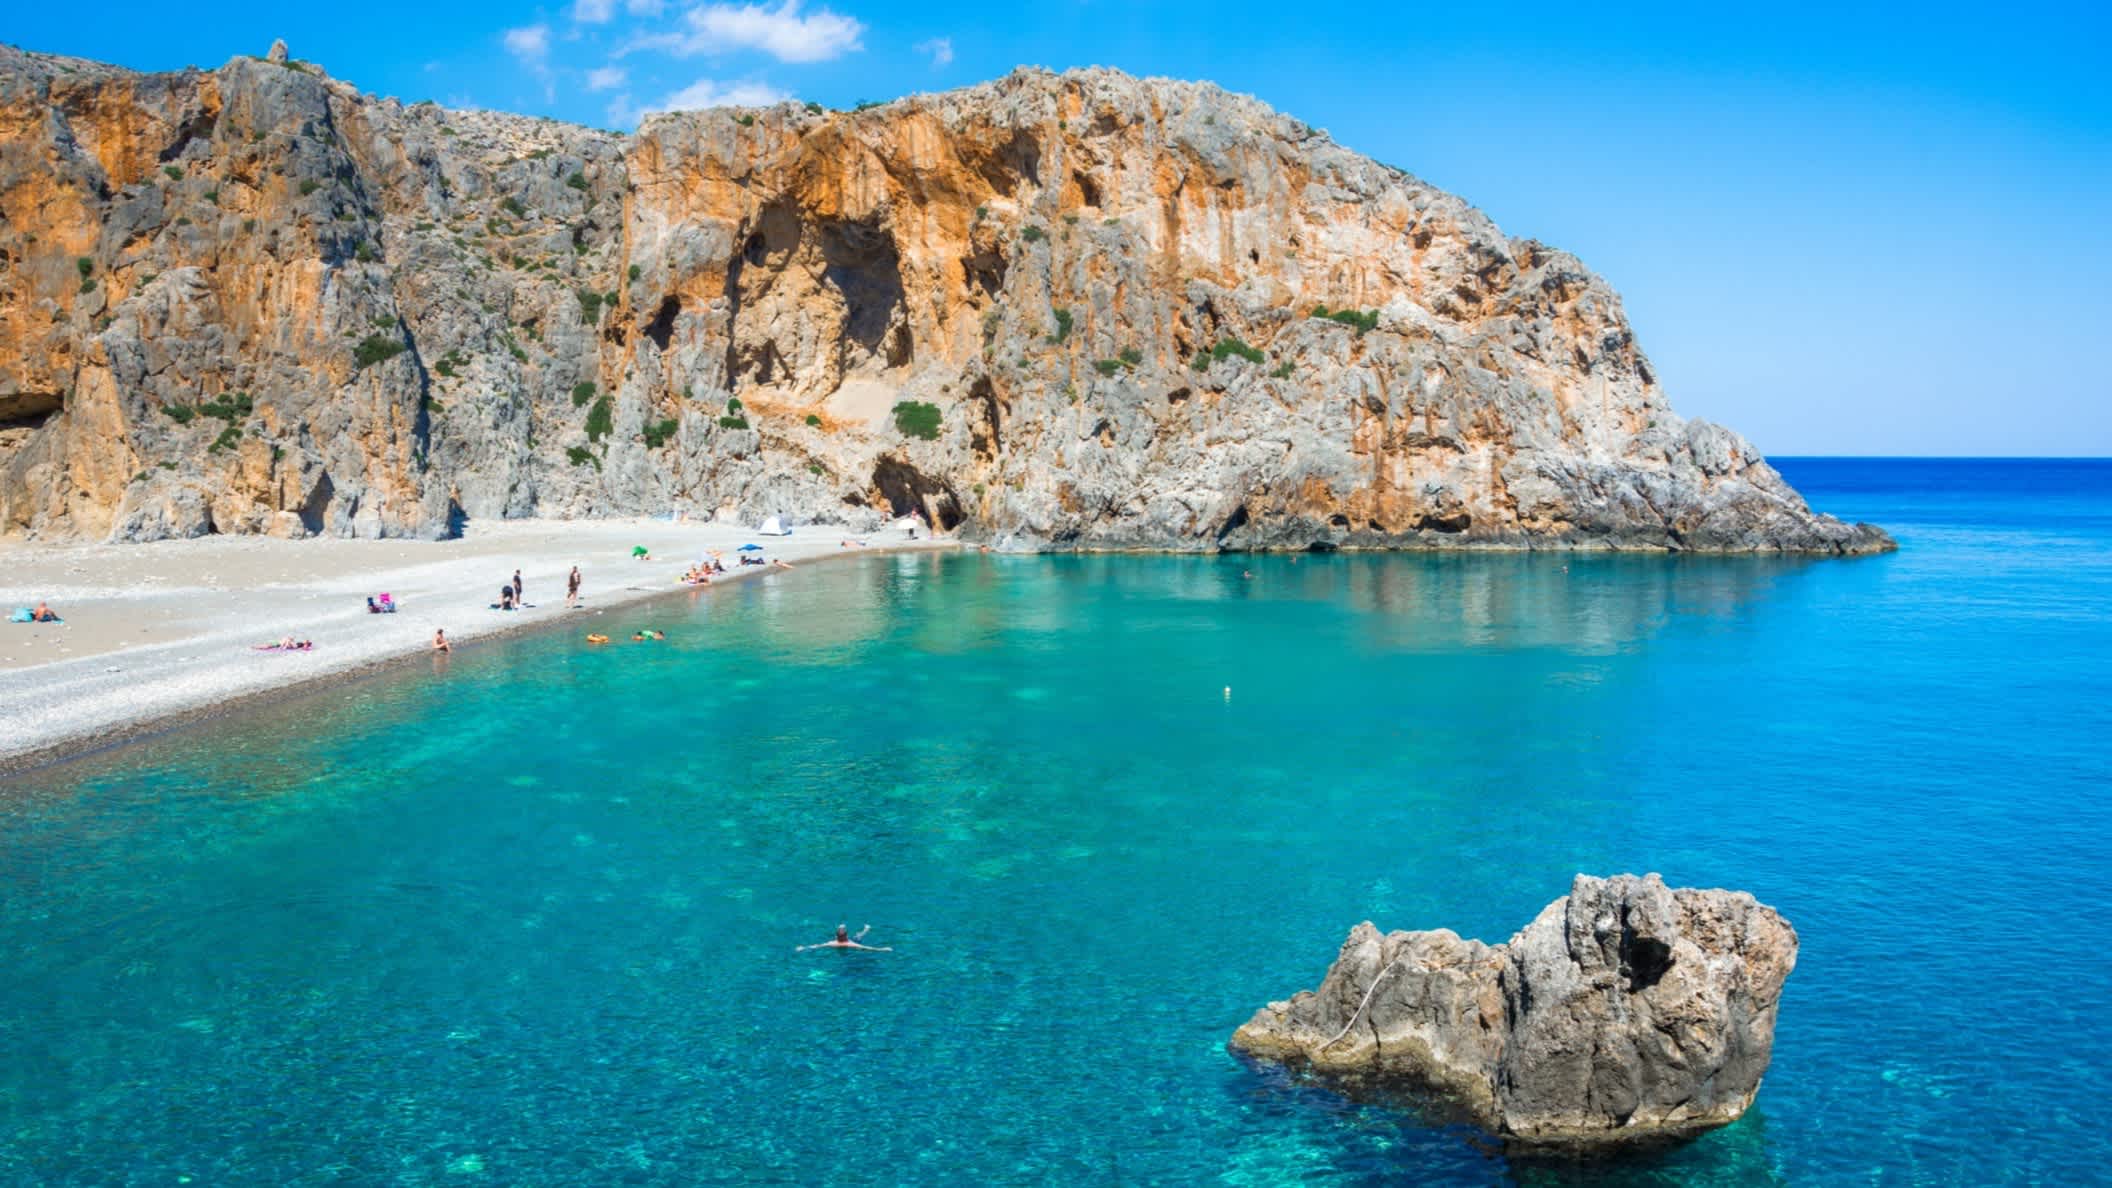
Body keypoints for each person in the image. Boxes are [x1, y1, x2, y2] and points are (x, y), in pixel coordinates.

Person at [796, 924, 891, 953]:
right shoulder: (850, 943)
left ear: (836, 936)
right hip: (850, 948)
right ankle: (866, 929)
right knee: (858, 937)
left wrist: (803, 948)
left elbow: (816, 946)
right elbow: (868, 948)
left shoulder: (832, 943)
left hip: (840, 951)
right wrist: (883, 949)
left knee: (858, 937)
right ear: (846, 936)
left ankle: (866, 929)